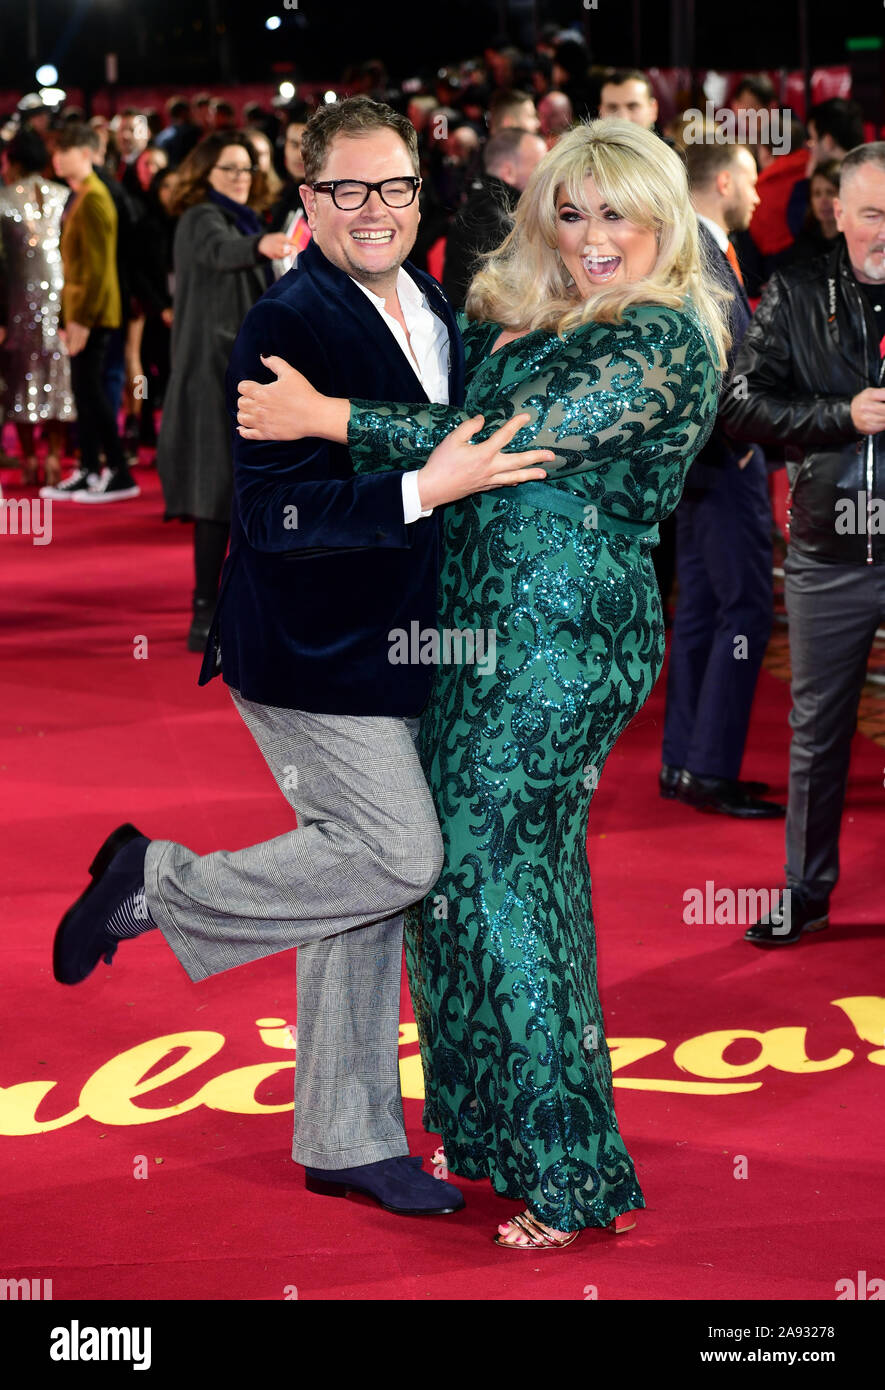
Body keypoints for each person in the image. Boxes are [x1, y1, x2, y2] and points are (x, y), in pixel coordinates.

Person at [51, 96, 548, 1223]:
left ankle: (346, 1138)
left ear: (421, 191)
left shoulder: (430, 299)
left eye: (395, 186)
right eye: (348, 190)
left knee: (353, 879)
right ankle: (155, 883)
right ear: (308, 199)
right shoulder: (286, 321)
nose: (376, 210)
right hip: (310, 650)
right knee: (398, 856)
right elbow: (273, 520)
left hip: (406, 645)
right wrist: (424, 487)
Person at [235, 119, 726, 1247]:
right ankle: (492, 1132)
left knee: (499, 882)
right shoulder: (556, 311)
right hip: (473, 632)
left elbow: (498, 439)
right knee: (467, 881)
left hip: (558, 643)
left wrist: (326, 418)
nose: (592, 236)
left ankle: (564, 1172)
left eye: (617, 213)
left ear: (664, 220)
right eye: (571, 211)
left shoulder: (662, 336)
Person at [720, 142, 885, 946]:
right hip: (829, 549)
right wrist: (839, 416)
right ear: (838, 213)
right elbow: (739, 405)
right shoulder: (794, 289)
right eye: (872, 213)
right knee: (817, 730)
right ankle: (805, 892)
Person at [661, 140, 784, 818]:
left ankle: (685, 762)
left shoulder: (692, 248)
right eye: (753, 181)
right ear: (727, 182)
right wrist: (736, 443)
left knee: (705, 610)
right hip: (726, 459)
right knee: (745, 611)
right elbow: (712, 360)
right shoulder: (700, 252)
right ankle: (705, 768)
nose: (760, 196)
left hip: (703, 462)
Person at [155, 131, 295, 651]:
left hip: (238, 374)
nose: (240, 177)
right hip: (208, 376)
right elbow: (220, 252)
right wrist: (261, 246)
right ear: (205, 174)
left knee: (236, 490)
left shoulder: (246, 220)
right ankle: (203, 614)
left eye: (246, 168)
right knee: (214, 494)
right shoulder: (201, 219)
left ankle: (234, 606)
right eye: (229, 168)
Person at [41, 123, 139, 503]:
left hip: (93, 314)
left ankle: (117, 470)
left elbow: (97, 269)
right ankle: (89, 468)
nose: (56, 159)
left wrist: (80, 319)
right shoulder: (83, 194)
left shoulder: (95, 197)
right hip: (85, 311)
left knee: (93, 391)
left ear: (84, 153)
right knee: (85, 392)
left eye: (63, 151)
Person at [0, 127, 74, 487]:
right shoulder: (64, 195)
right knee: (58, 375)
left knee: (21, 376)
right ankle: (56, 457)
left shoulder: (3, 200)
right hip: (61, 302)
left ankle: (30, 458)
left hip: (17, 302)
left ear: (12, 162)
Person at [442, 127, 546, 310]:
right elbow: (510, 304)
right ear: (508, 172)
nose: (546, 177)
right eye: (540, 167)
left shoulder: (482, 209)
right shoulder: (492, 222)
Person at [783, 159, 841, 265]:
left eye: (830, 192)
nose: (823, 201)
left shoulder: (854, 242)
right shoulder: (803, 243)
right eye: (817, 194)